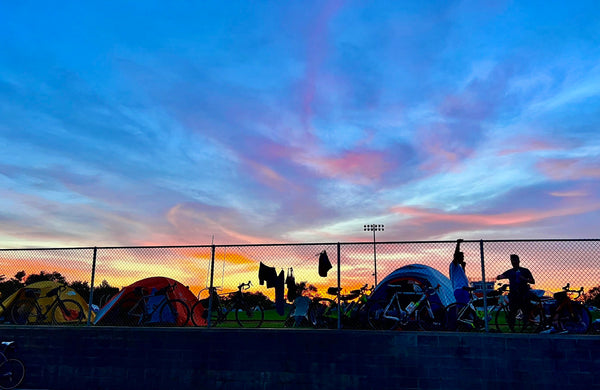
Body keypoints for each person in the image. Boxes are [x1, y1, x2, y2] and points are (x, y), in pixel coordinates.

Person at [496, 254, 535, 329]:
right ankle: (512, 326)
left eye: (515, 260)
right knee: (512, 312)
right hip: (514, 294)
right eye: (512, 261)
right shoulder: (510, 272)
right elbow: (500, 277)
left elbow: (533, 281)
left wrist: (525, 279)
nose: (514, 262)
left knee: (525, 310)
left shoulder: (525, 271)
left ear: (519, 261)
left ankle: (526, 324)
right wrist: (500, 277)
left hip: (523, 293)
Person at [449, 239, 470, 306]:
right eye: (462, 257)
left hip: (464, 289)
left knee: (465, 306)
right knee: (461, 306)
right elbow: (455, 255)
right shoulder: (454, 265)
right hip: (459, 289)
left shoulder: (459, 267)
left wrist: (463, 267)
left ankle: (464, 316)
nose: (463, 259)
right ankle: (458, 316)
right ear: (458, 258)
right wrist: (458, 244)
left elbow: (462, 275)